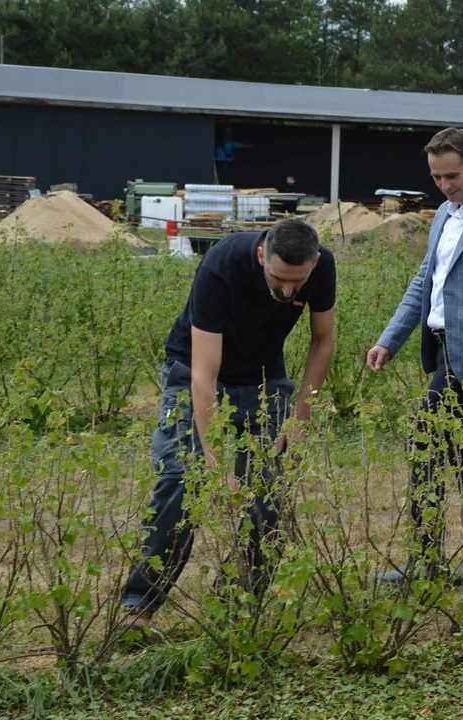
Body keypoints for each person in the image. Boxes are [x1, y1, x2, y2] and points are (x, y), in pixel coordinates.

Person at [123, 219, 336, 636]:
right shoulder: (221, 265)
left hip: (264, 378)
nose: (289, 291)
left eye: (298, 281)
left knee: (269, 490)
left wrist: (300, 416)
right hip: (197, 374)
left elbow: (322, 340)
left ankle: (236, 604)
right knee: (184, 479)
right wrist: (217, 464)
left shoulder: (321, 265)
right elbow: (205, 374)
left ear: (314, 262)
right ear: (261, 256)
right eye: (279, 279)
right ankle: (139, 604)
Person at [368, 128, 463, 583]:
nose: (445, 185)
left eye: (452, 175)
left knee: (436, 447)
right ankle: (451, 558)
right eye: (436, 177)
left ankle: (461, 560)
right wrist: (388, 339)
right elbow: (425, 283)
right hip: (442, 353)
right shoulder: (442, 217)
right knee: (458, 457)